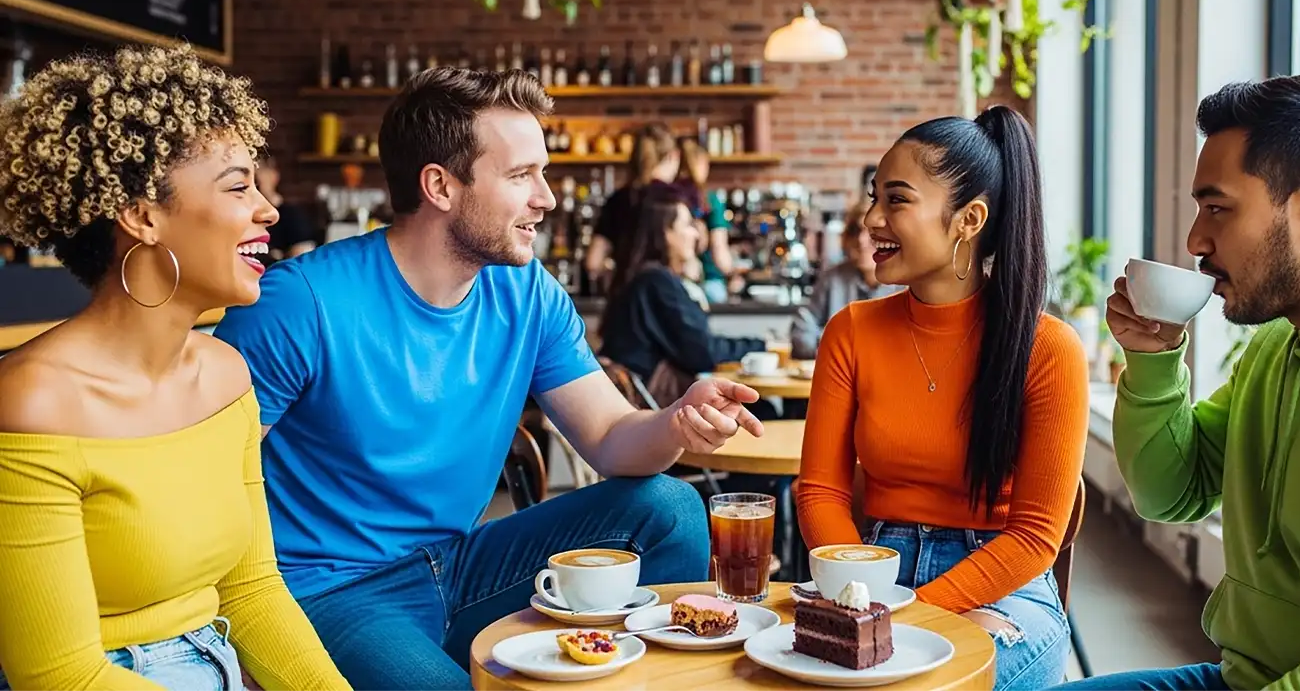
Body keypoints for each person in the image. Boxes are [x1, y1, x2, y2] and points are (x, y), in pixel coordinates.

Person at [211, 67, 763, 691]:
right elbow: (204, 489)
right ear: (440, 186)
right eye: (521, 175)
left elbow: (611, 437)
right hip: (333, 590)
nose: (546, 198)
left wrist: (676, 422)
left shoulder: (527, 292)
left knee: (668, 507)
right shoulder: (298, 302)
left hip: (462, 565)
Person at [1057, 75, 1300, 691]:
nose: (1195, 240)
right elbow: (1171, 492)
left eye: (1217, 208)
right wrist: (1155, 358)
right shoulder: (1280, 343)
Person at [0, 45, 348, 689]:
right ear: (142, 216)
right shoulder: (33, 403)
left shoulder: (226, 376)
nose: (268, 209)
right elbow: (60, 676)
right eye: (238, 186)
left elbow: (252, 591)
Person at [797, 109, 1089, 691]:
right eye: (874, 197)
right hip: (873, 571)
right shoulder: (850, 332)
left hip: (1002, 585)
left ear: (968, 220)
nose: (871, 219)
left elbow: (1034, 537)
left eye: (897, 200)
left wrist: (916, 614)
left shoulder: (1049, 348)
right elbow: (820, 491)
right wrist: (861, 596)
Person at [598, 189, 765, 402]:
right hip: (656, 408)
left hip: (643, 403)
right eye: (687, 225)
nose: (695, 234)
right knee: (764, 409)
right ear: (665, 233)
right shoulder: (657, 283)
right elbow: (703, 352)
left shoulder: (640, 278)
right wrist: (761, 345)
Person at [790, 198, 903, 359]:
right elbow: (802, 329)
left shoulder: (908, 285)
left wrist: (835, 344)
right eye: (856, 231)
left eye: (873, 231)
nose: (861, 240)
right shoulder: (832, 277)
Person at [583, 122, 680, 286]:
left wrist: (613, 272)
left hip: (624, 294)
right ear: (673, 156)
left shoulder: (617, 199)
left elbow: (593, 262)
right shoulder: (673, 199)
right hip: (666, 293)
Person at [676, 135, 737, 303]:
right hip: (709, 284)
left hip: (671, 283)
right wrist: (734, 274)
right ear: (701, 164)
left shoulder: (665, 198)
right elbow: (720, 252)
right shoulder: (710, 201)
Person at [256, 155, 317, 263]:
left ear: (274, 175)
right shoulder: (242, 215)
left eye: (260, 170)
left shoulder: (292, 215)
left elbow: (303, 261)